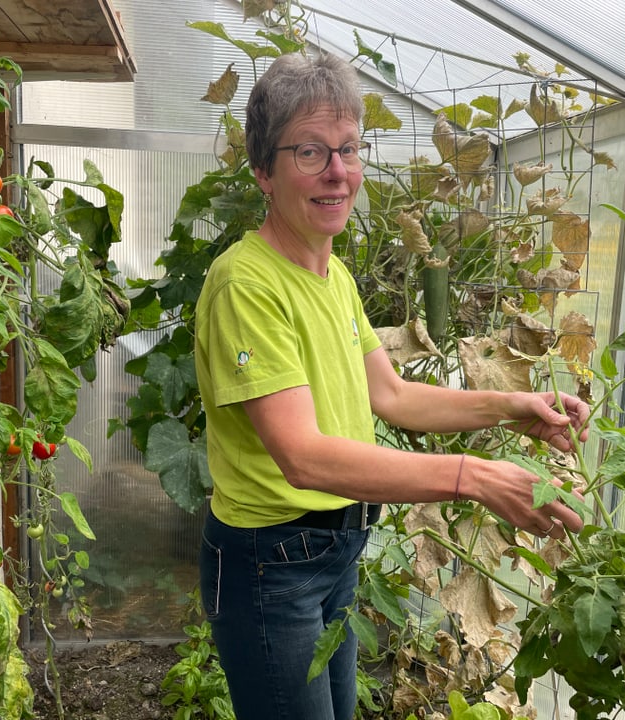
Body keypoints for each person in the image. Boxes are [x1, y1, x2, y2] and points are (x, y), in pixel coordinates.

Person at [193, 51, 589, 720]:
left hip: (335, 548)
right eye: (310, 153)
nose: (339, 173)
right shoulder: (246, 284)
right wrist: (475, 476)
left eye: (348, 149)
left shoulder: (334, 275)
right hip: (272, 566)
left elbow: (393, 396)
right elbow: (303, 454)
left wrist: (511, 406)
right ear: (263, 170)